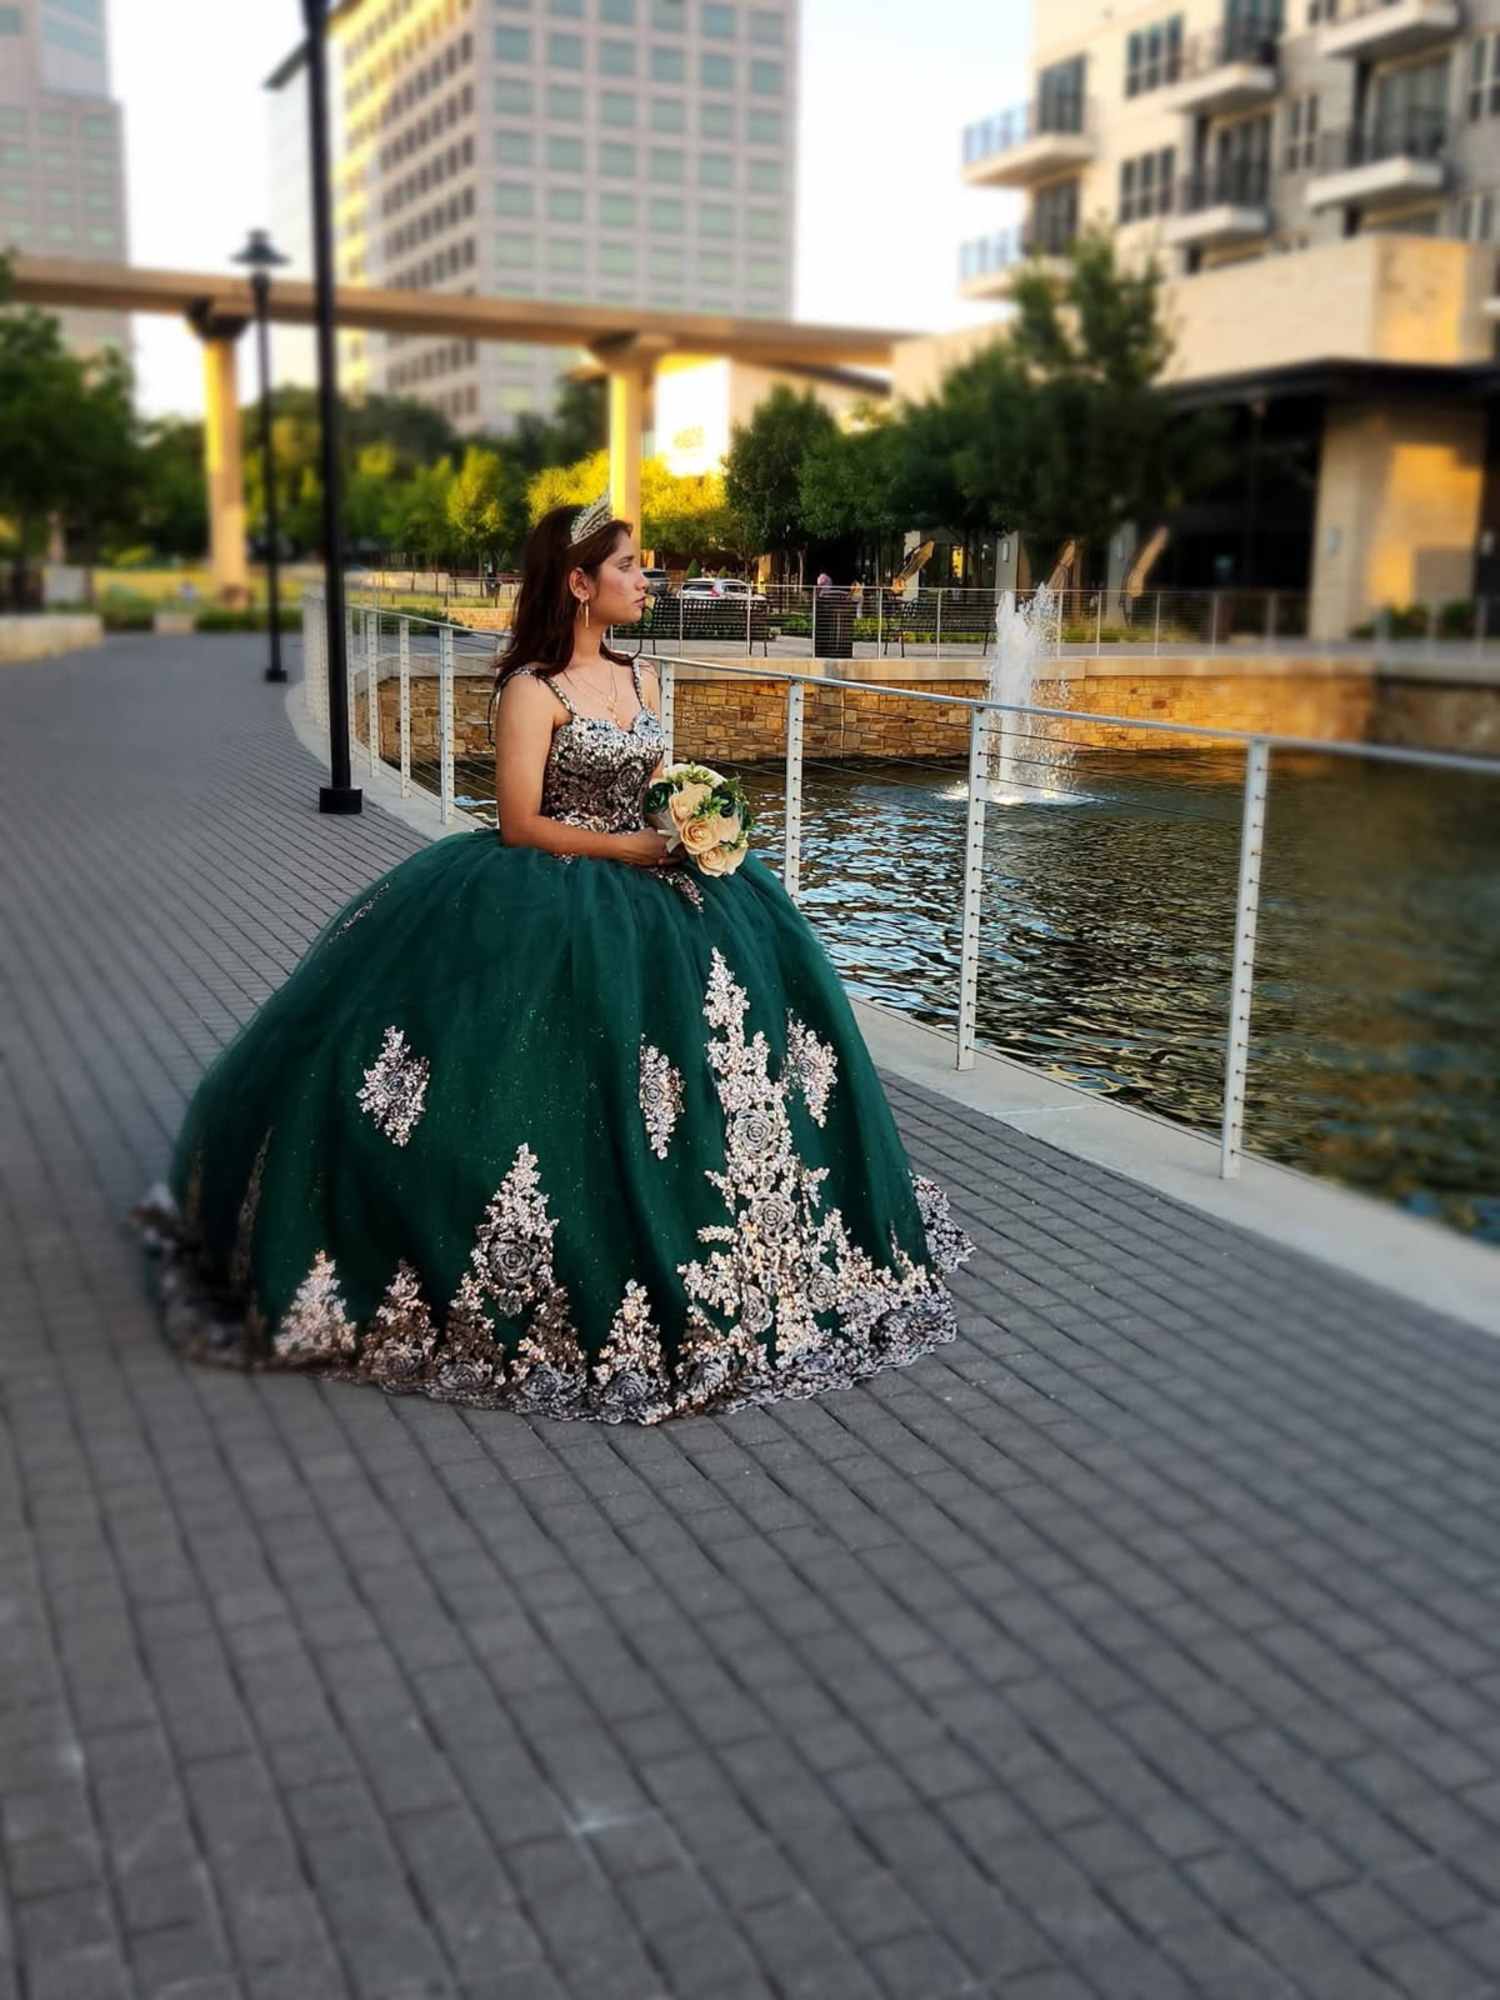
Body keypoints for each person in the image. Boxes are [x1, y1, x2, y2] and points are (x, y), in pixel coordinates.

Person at [133, 503, 972, 1424]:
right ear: (578, 582)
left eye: (641, 568)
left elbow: (658, 782)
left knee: (725, 1063)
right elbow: (521, 823)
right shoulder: (532, 689)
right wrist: (638, 853)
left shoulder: (646, 675)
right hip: (557, 893)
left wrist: (693, 822)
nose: (643, 581)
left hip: (671, 892)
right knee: (546, 1075)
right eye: (628, 567)